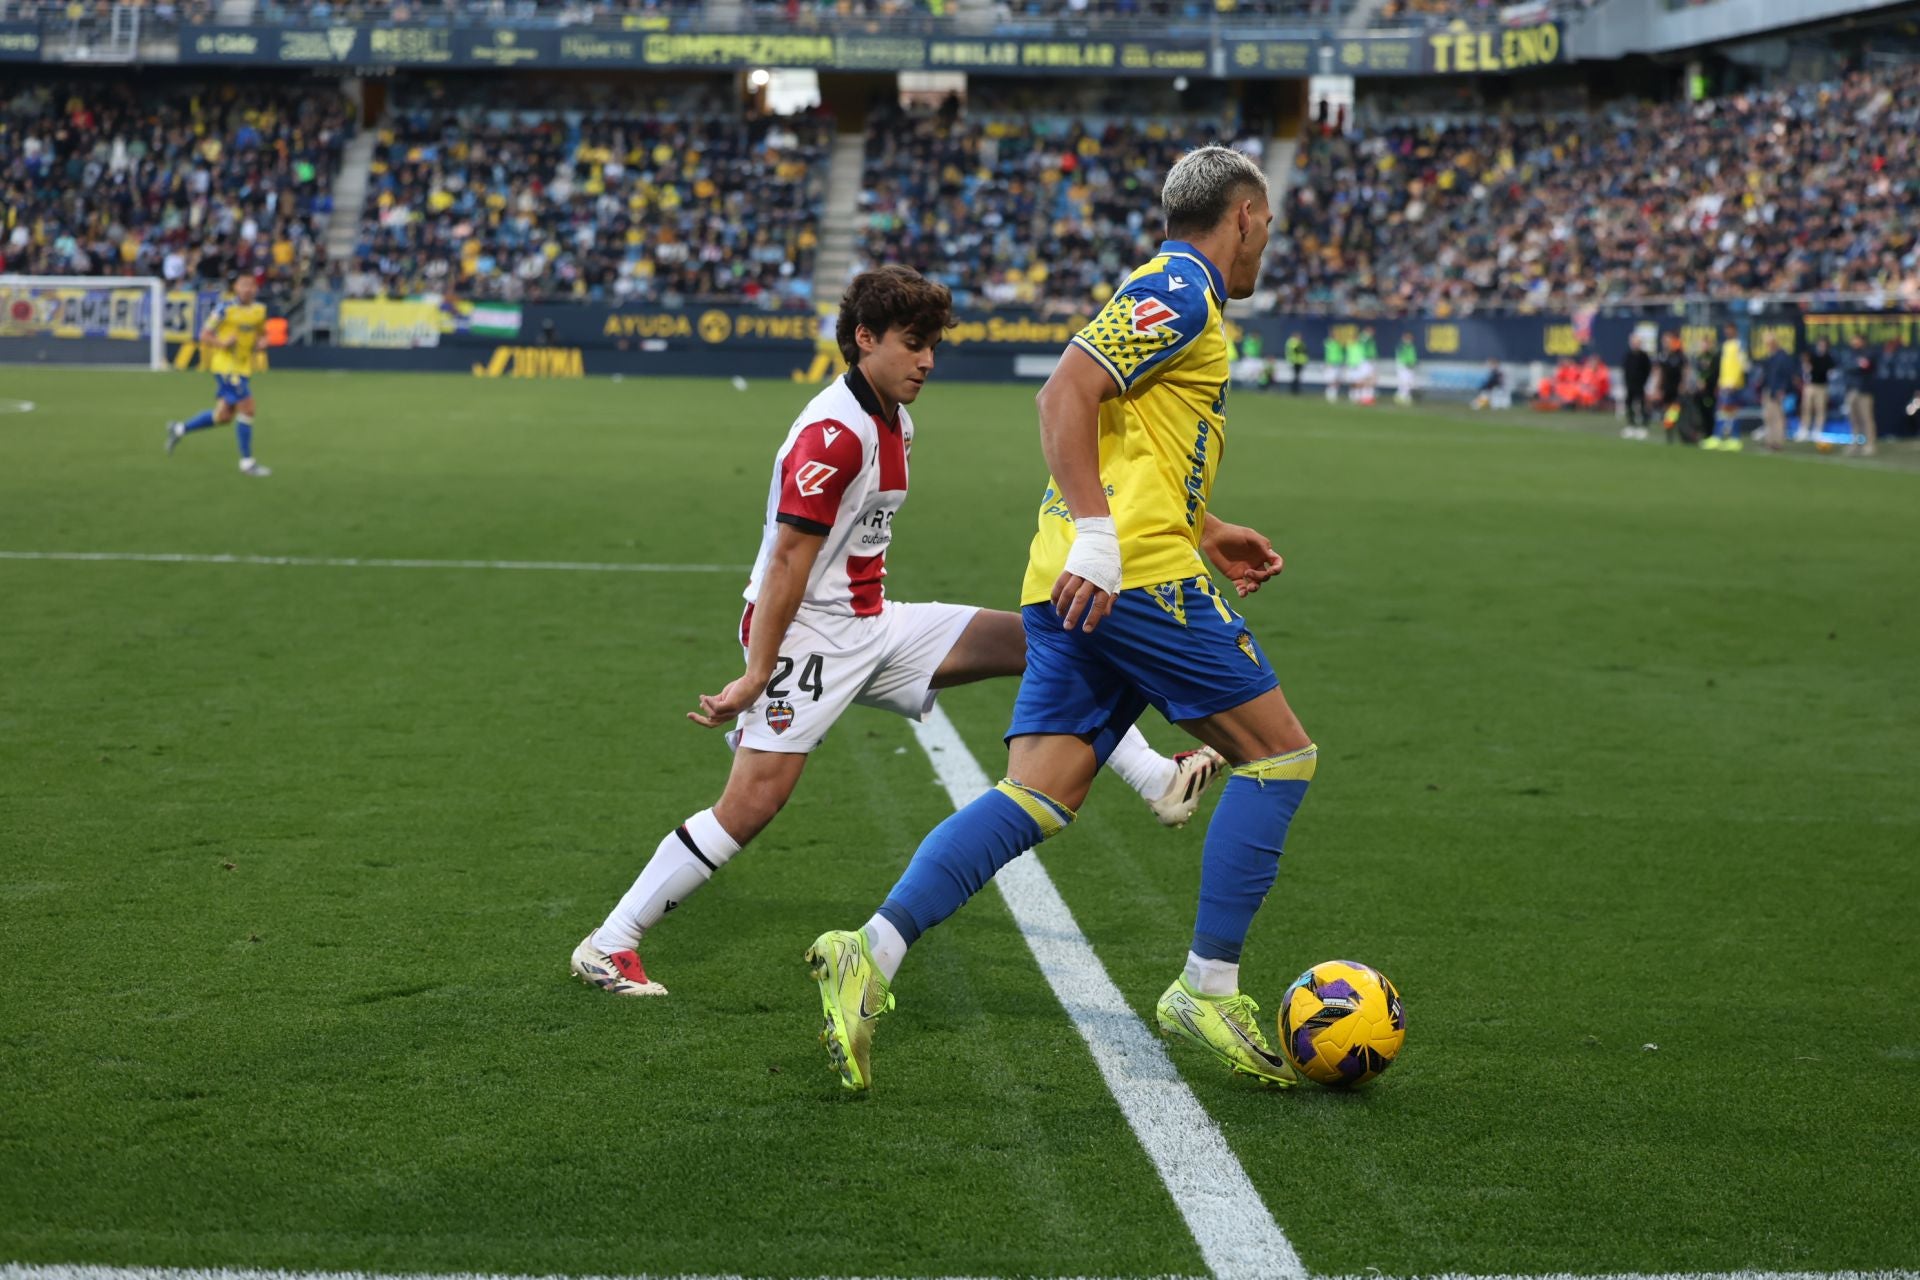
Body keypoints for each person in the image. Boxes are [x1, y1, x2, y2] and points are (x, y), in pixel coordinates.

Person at [805, 146, 1316, 1093]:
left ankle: (868, 951)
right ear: (1244, 216)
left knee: (1037, 794)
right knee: (1279, 758)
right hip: (1132, 578)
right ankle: (1208, 988)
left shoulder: (1171, 291)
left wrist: (1204, 527)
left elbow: (1132, 438)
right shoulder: (1183, 289)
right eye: (1269, 227)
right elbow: (1065, 390)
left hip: (1079, 575)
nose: (1266, 246)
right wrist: (1103, 535)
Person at [571, 267, 1226, 998]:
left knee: (1050, 636)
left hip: (872, 623)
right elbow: (787, 560)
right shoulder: (834, 436)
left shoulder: (894, 419)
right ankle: (610, 943)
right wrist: (759, 671)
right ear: (864, 338)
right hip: (807, 639)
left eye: (933, 346)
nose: (928, 361)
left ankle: (1158, 780)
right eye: (914, 344)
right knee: (751, 805)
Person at [165, 273, 271, 476]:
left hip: (244, 367)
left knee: (224, 416)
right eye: (243, 285)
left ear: (256, 289)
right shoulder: (225, 309)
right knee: (248, 408)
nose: (247, 289)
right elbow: (204, 335)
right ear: (236, 287)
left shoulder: (259, 310)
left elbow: (263, 334)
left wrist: (263, 342)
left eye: (250, 285)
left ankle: (179, 429)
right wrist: (221, 343)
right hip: (225, 367)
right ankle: (247, 463)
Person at [1703, 323, 1748, 451]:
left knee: (1727, 411)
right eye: (1726, 330)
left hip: (1733, 384)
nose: (1727, 332)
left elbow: (1742, 365)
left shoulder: (1740, 345)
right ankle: (1729, 438)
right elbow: (1724, 366)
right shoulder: (1726, 345)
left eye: (1730, 330)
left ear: (1735, 330)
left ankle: (1727, 438)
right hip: (1724, 383)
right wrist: (1720, 381)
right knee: (1726, 411)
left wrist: (1735, 382)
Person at [1757, 335, 1798, 453]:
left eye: (1769, 344)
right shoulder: (1771, 357)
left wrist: (1782, 389)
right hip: (1769, 389)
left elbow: (1787, 375)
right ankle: (1770, 441)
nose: (1768, 347)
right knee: (1768, 416)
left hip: (1777, 390)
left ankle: (1778, 441)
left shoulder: (1783, 357)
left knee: (1778, 416)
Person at [1843, 334, 1878, 456]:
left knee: (1866, 418)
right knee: (1853, 418)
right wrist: (1855, 365)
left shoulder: (1869, 352)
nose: (1853, 342)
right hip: (1851, 390)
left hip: (1864, 390)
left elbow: (1864, 367)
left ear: (1862, 341)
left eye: (1856, 339)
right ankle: (1855, 443)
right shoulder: (1850, 353)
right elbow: (1846, 366)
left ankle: (1870, 444)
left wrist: (1855, 366)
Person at [1655, 333, 1688, 444]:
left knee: (1675, 409)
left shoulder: (1679, 356)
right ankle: (1669, 432)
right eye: (1664, 342)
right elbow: (1659, 373)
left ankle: (1676, 429)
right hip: (1666, 387)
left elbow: (1685, 370)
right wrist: (1657, 388)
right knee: (1666, 410)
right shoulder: (1662, 356)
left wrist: (1683, 384)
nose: (1666, 344)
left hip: (1676, 387)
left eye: (1668, 341)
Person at [1801, 338, 1834, 442]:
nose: (1821, 347)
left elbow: (1831, 372)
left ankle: (1818, 431)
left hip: (1822, 387)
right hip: (1810, 385)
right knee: (1806, 407)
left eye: (1823, 345)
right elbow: (1806, 368)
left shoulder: (1829, 358)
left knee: (1820, 409)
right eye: (1820, 345)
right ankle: (1804, 429)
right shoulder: (1812, 356)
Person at [1621, 335, 1652, 438]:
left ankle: (1643, 426)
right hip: (1630, 385)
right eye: (1634, 342)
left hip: (1641, 385)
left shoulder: (1644, 356)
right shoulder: (1628, 355)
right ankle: (1631, 425)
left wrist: (1644, 383)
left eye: (1637, 343)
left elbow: (1647, 371)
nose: (1635, 345)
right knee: (1629, 405)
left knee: (1642, 406)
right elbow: (1625, 370)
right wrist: (1626, 383)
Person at [1349, 325, 1378, 405]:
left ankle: (1367, 396)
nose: (1372, 333)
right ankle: (1363, 397)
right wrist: (1366, 335)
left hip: (1369, 360)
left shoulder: (1369, 339)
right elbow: (1362, 341)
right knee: (1365, 379)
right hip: (1365, 360)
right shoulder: (1365, 337)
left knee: (1370, 379)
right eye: (1371, 331)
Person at [1393, 332, 1418, 404]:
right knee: (1404, 382)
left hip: (1411, 367)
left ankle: (1405, 396)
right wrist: (1407, 364)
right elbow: (1400, 357)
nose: (1409, 340)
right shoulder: (1401, 346)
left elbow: (1413, 356)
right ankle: (1401, 397)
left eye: (1410, 338)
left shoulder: (1411, 346)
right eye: (1407, 338)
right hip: (1403, 367)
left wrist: (1413, 363)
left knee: (1409, 382)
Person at [1322, 331, 1345, 404]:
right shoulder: (1328, 343)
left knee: (1337, 380)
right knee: (1331, 380)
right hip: (1331, 363)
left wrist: (1341, 361)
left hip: (1338, 363)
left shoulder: (1338, 344)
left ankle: (1334, 395)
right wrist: (1328, 362)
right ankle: (1330, 395)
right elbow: (1328, 353)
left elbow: (1340, 353)